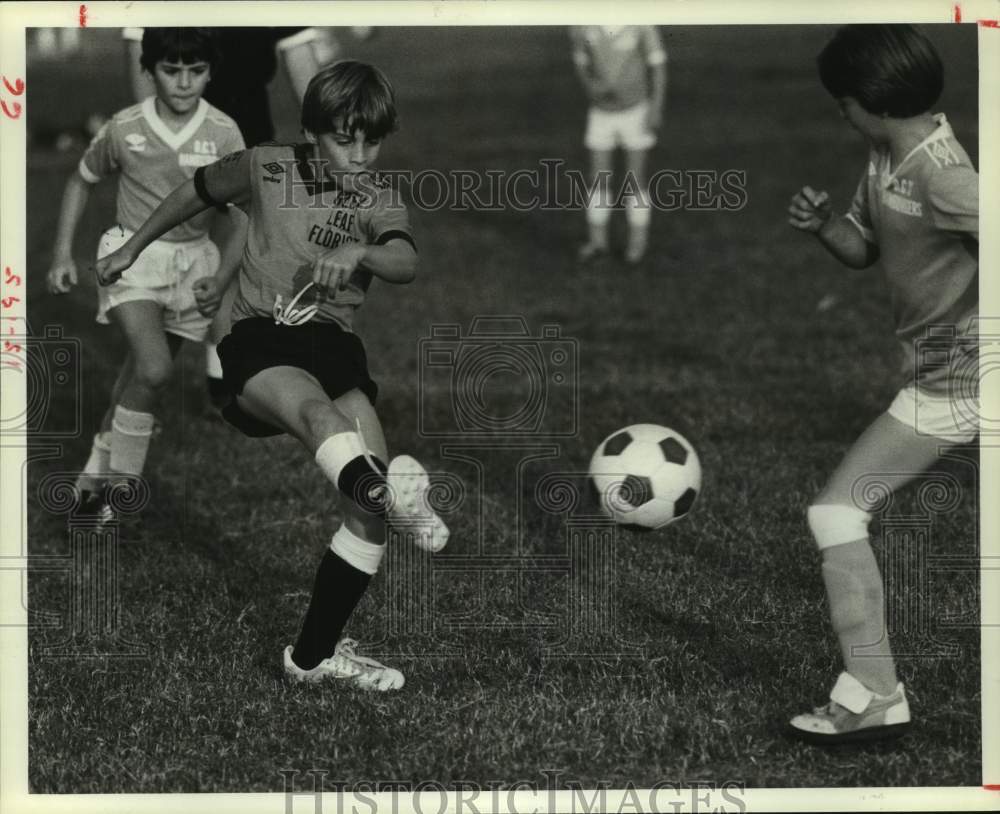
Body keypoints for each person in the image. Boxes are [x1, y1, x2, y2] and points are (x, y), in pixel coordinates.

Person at [94, 60, 450, 691]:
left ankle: (312, 657)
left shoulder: (377, 199)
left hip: (334, 347)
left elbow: (406, 262)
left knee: (363, 517)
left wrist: (361, 251)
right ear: (313, 132)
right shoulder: (265, 165)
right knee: (324, 419)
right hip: (259, 341)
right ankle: (395, 497)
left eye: (373, 141)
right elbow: (194, 191)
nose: (361, 155)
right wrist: (132, 246)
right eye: (346, 139)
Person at [786, 24, 978, 744]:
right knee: (834, 513)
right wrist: (825, 226)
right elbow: (864, 249)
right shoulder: (886, 157)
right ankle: (874, 694)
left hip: (970, 380)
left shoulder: (944, 175)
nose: (838, 111)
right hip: (940, 385)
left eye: (841, 101)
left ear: (870, 101)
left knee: (837, 513)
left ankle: (874, 692)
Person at [46, 28, 247, 524]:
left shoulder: (224, 132)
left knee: (136, 378)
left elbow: (244, 213)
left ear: (210, 72)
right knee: (155, 369)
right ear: (149, 69)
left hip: (193, 264)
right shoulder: (124, 127)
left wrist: (220, 275)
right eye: (170, 70)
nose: (183, 82)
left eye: (195, 71)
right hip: (129, 258)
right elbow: (81, 179)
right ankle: (123, 493)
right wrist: (61, 254)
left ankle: (93, 474)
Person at [124, 26, 342, 416]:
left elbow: (301, 59)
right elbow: (141, 47)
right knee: (168, 275)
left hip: (250, 136)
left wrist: (329, 142)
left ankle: (224, 386)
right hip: (178, 142)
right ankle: (135, 399)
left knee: (237, 265)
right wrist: (154, 151)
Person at [569, 25, 667, 265]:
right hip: (601, 113)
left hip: (636, 110)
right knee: (598, 178)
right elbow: (580, 61)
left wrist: (655, 107)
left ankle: (637, 244)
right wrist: (591, 86)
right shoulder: (583, 23)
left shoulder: (641, 22)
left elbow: (658, 67)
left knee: (635, 179)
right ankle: (598, 243)